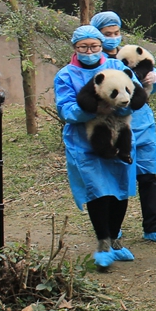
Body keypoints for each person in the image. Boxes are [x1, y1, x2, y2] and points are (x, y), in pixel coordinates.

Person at [55, 25, 138, 269]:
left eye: (94, 46)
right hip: (84, 142)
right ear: (75, 48)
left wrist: (123, 106)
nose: (89, 51)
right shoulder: (65, 75)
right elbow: (65, 109)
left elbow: (133, 95)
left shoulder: (116, 67)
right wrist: (92, 110)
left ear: (102, 46)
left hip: (119, 133)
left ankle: (115, 239)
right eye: (84, 47)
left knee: (120, 191)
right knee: (97, 192)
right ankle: (103, 243)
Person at [91, 11, 156, 242]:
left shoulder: (128, 55)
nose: (113, 37)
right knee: (117, 180)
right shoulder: (96, 62)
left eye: (116, 33)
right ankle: (112, 227)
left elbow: (148, 80)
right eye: (107, 34)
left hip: (143, 124)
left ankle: (153, 226)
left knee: (147, 177)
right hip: (116, 127)